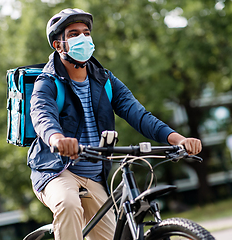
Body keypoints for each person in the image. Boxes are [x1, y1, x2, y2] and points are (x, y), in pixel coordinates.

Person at [27, 8, 202, 240]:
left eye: (86, 33)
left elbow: (139, 115)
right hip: (57, 170)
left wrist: (178, 139)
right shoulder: (47, 83)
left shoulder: (105, 80)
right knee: (68, 204)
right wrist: (57, 139)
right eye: (73, 34)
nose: (83, 38)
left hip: (95, 175)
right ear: (58, 45)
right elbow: (42, 116)